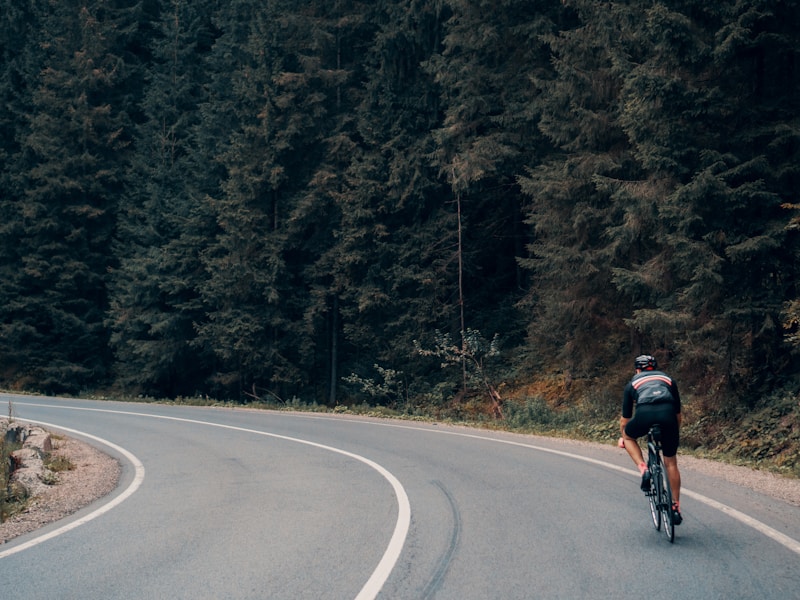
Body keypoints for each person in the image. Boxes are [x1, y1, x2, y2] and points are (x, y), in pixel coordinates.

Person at [619, 354, 683, 524]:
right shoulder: (668, 380)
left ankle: (644, 469)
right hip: (668, 416)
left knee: (628, 436)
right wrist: (674, 432)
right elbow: (678, 414)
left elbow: (625, 420)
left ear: (637, 369)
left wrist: (623, 437)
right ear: (655, 367)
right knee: (671, 463)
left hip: (644, 414)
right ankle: (675, 506)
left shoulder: (632, 383)